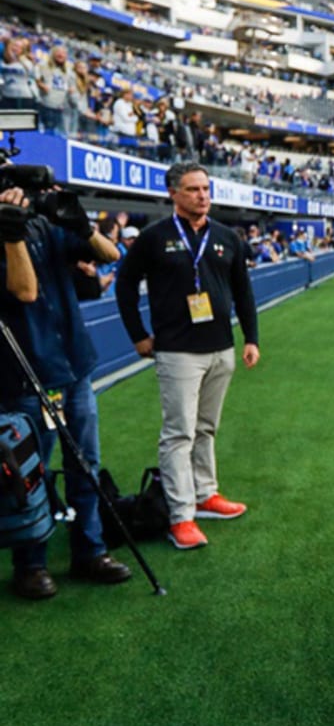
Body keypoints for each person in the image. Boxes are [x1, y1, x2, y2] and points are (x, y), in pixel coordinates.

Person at [114, 161, 260, 552]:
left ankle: (205, 494)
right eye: (194, 189)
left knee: (206, 428)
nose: (203, 196)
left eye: (206, 188)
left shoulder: (227, 236)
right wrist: (138, 335)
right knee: (179, 433)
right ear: (173, 194)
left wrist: (251, 338)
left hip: (220, 348)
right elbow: (124, 284)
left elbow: (243, 291)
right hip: (178, 351)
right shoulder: (153, 237)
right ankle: (181, 516)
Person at [0, 182, 130, 598]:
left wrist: (80, 223)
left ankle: (90, 551)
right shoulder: (11, 229)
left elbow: (112, 255)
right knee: (29, 474)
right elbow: (25, 290)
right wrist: (11, 234)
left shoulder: (45, 221)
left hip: (75, 363)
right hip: (28, 373)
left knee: (86, 462)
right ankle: (30, 564)